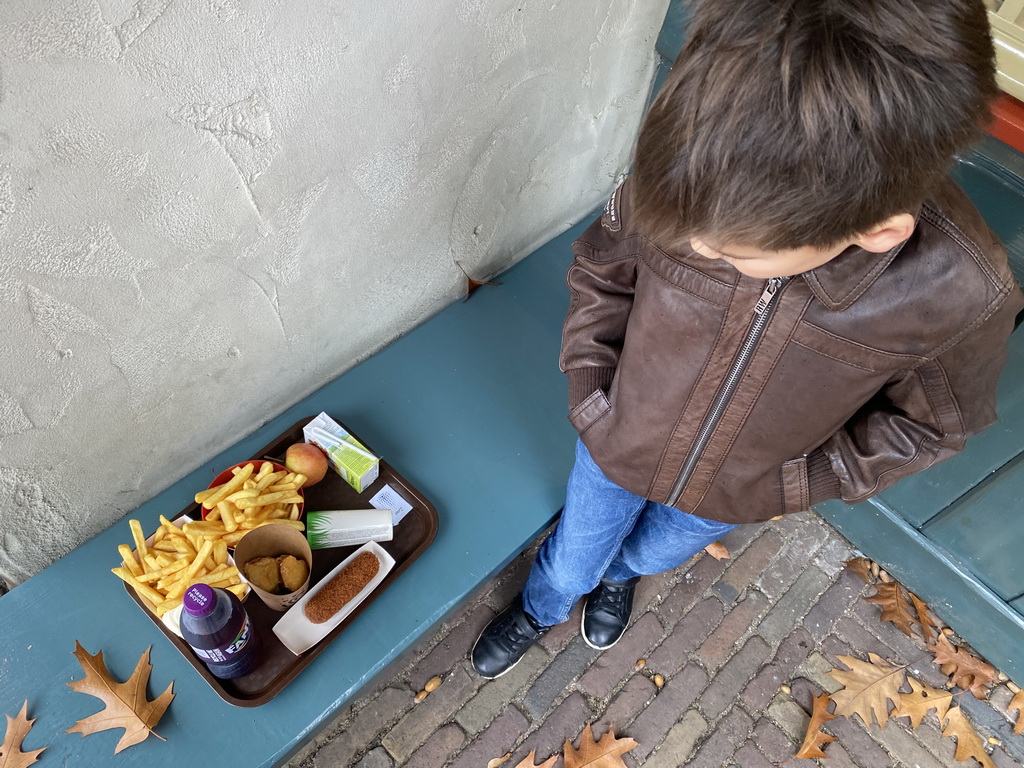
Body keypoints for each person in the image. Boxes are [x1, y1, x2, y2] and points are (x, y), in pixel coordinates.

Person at [471, 0, 1024, 679]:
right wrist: (592, 392)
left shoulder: (958, 292)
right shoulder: (707, 150)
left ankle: (620, 575)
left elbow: (931, 427)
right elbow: (605, 268)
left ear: (876, 230)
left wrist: (793, 483)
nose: (696, 245)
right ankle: (547, 603)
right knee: (576, 545)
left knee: (651, 550)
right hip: (619, 436)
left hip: (736, 491)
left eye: (732, 253)